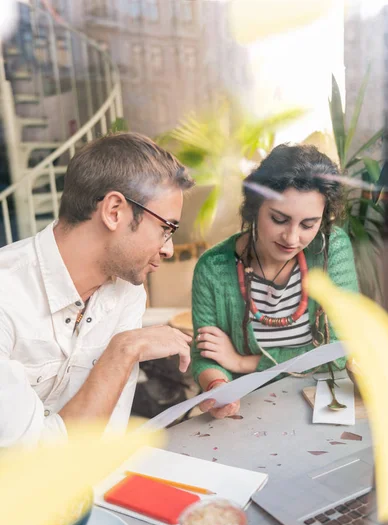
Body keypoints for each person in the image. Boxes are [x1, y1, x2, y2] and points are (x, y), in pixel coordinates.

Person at [0, 132, 194, 446]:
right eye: (166, 228)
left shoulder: (128, 293)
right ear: (114, 210)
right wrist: (123, 351)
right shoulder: (6, 296)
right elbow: (31, 465)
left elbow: (101, 441)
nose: (169, 249)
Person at [191, 144, 358, 418]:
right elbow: (206, 355)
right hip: (250, 407)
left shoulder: (331, 249)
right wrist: (218, 387)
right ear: (255, 207)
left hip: (326, 401)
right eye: (279, 219)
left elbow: (339, 348)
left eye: (308, 225)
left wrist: (243, 362)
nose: (292, 239)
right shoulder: (214, 268)